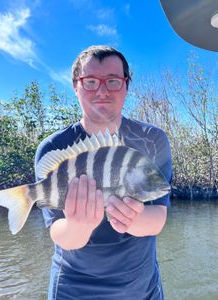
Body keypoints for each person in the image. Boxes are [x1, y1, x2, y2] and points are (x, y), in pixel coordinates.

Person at [35, 45, 172, 300]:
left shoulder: (153, 140)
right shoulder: (53, 148)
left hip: (141, 288)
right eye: (90, 82)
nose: (102, 90)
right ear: (76, 86)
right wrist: (78, 226)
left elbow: (159, 217)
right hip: (73, 289)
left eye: (112, 81)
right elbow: (57, 230)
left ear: (126, 85)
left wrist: (135, 218)